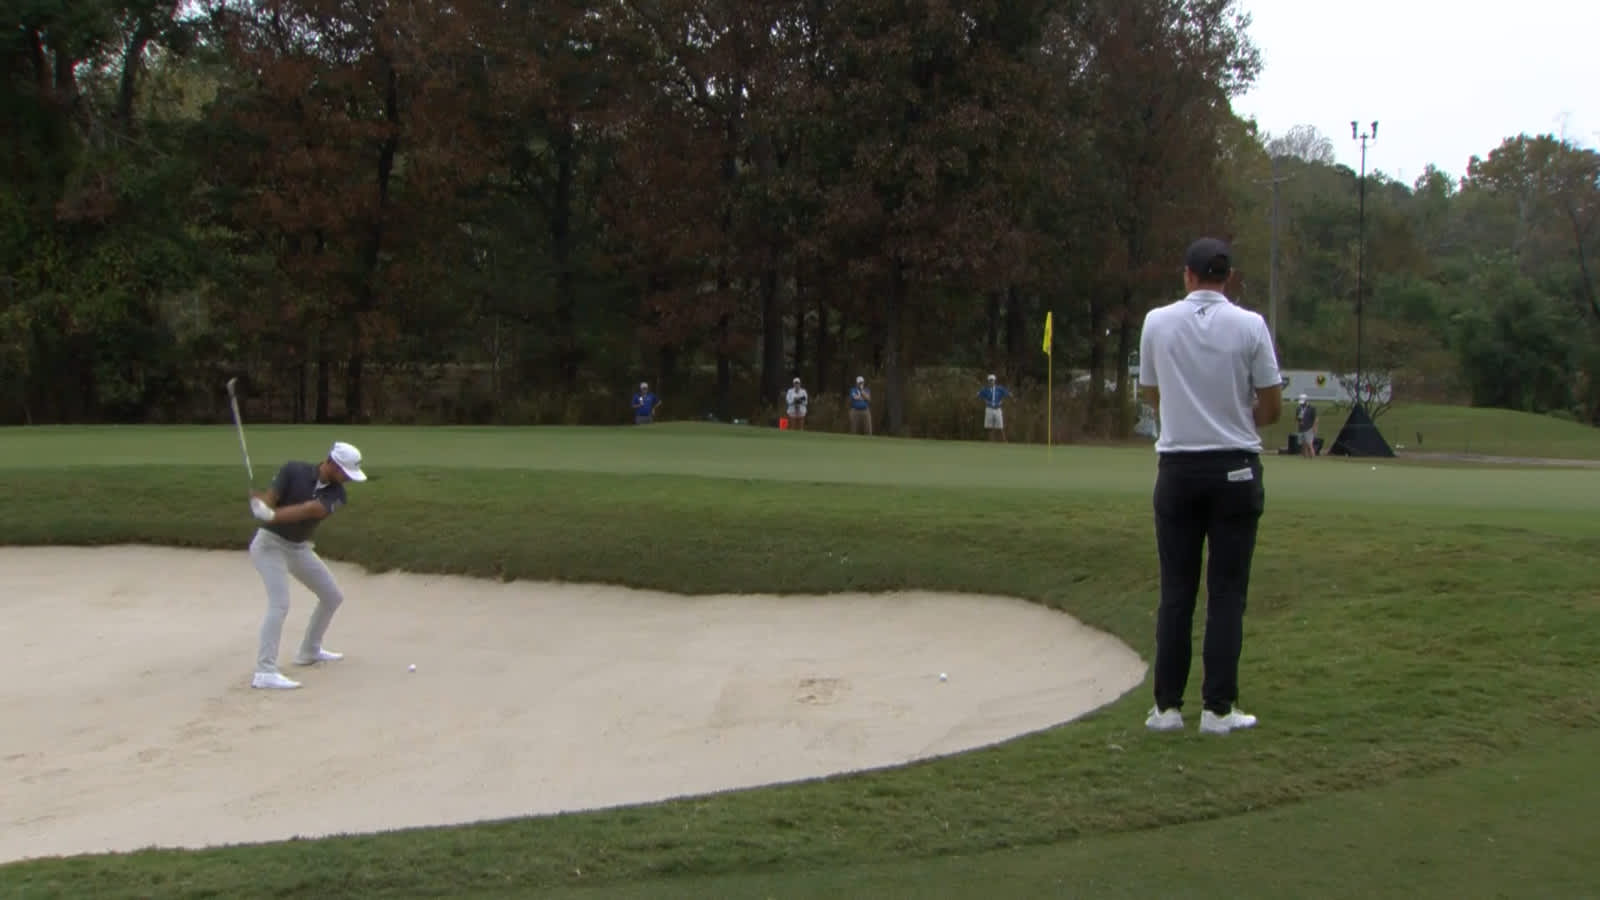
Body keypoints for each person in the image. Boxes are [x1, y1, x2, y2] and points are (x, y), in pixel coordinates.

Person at [1137, 237, 1282, 736]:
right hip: (1235, 468)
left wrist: (1188, 413)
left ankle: (1167, 709)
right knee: (1225, 593)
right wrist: (1237, 417)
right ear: (1229, 277)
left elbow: (1152, 392)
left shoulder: (1157, 321)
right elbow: (1271, 404)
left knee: (1177, 591)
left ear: (1188, 275)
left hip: (1177, 468)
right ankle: (1218, 710)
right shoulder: (1250, 325)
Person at [245, 441, 368, 690]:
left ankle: (309, 651)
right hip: (269, 546)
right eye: (345, 472)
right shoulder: (294, 470)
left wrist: (272, 515)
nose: (348, 479)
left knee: (332, 596)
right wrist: (262, 506)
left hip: (298, 548)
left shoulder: (337, 494)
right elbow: (272, 496)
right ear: (331, 463)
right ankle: (265, 670)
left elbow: (311, 510)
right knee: (279, 604)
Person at [977, 374, 1011, 442]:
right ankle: (991, 441)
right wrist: (985, 401)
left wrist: (1002, 401)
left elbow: (1008, 394)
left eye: (992, 380)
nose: (991, 382)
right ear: (988, 381)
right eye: (990, 380)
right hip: (989, 408)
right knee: (989, 426)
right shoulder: (985, 389)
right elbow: (979, 395)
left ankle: (1004, 441)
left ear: (995, 381)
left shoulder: (999, 389)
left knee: (1000, 426)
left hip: (997, 409)